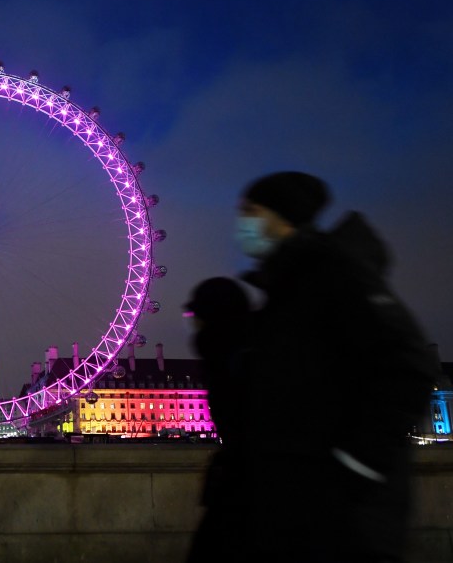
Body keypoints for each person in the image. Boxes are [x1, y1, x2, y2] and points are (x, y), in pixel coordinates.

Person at [230, 170, 437, 562]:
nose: (242, 221)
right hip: (300, 507)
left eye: (251, 210)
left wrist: (353, 468)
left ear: (281, 215)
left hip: (345, 516)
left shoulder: (334, 273)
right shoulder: (285, 287)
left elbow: (408, 366)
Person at [182, 276, 252, 563]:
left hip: (252, 491)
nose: (191, 322)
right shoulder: (228, 354)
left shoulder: (234, 359)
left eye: (194, 315)